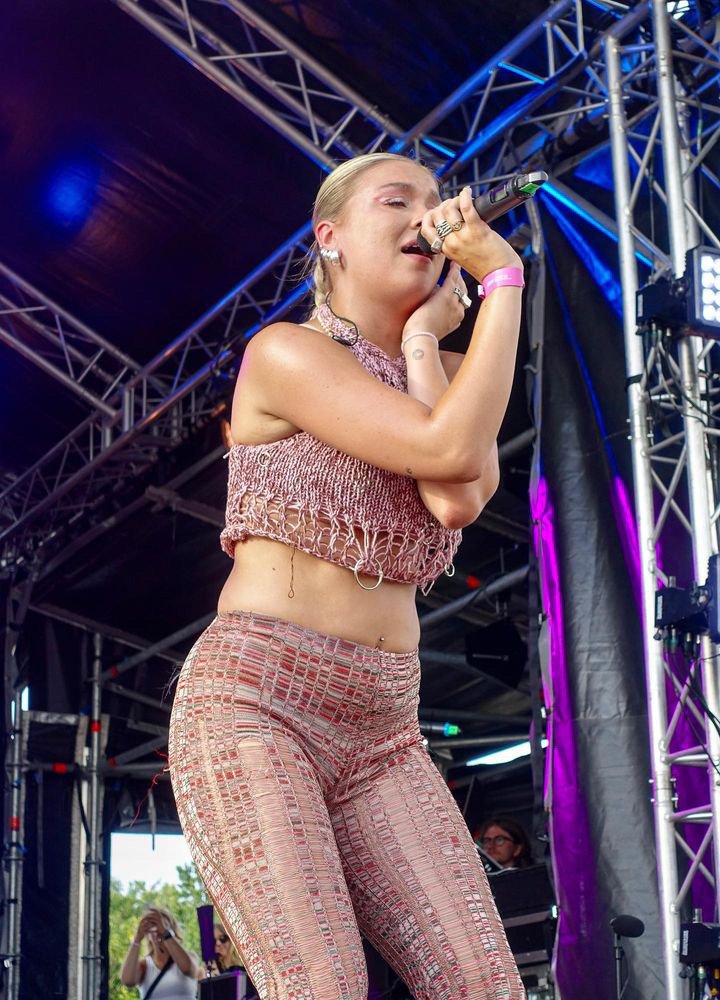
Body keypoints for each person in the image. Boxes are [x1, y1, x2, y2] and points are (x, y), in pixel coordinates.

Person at [169, 152, 526, 999]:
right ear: (329, 238)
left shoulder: (420, 376)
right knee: (322, 986)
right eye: (395, 200)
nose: (425, 216)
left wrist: (422, 342)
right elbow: (446, 447)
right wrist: (504, 280)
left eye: (434, 202)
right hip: (258, 701)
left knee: (484, 983)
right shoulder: (285, 353)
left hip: (385, 725)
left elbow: (457, 496)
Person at [120, 906, 199, 998]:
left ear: (172, 930)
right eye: (152, 925)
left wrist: (165, 933)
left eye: (163, 924)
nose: (157, 929)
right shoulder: (144, 965)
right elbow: (128, 980)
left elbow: (187, 968)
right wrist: (137, 938)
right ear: (147, 934)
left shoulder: (189, 956)